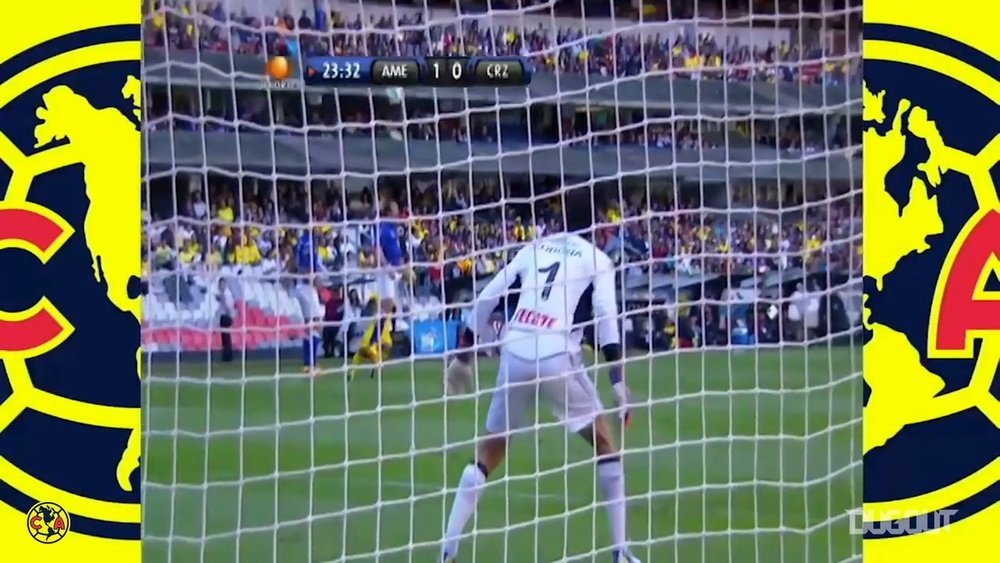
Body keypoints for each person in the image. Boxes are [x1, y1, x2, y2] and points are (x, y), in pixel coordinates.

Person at [440, 190, 640, 563]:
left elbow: (487, 295)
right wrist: (616, 378)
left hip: (514, 349)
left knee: (489, 451)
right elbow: (606, 317)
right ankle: (621, 552)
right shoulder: (597, 259)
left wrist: (464, 356)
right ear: (597, 225)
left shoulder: (536, 248)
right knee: (604, 442)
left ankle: (447, 549)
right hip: (556, 353)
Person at [350, 199, 405, 379]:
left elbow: (395, 251)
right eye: (396, 207)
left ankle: (373, 344)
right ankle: (373, 343)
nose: (398, 211)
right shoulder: (382, 227)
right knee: (386, 307)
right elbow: (378, 249)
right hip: (386, 272)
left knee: (387, 309)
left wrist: (402, 267)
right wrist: (387, 267)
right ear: (389, 210)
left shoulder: (392, 229)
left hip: (393, 272)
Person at [216, 278, 235, 363]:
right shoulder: (224, 293)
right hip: (224, 315)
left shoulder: (227, 294)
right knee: (225, 337)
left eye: (221, 284)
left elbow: (229, 306)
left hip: (226, 316)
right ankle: (226, 355)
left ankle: (227, 356)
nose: (220, 286)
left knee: (226, 337)